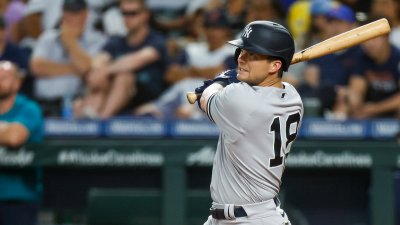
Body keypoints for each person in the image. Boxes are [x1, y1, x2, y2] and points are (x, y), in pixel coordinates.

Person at [195, 21, 303, 225]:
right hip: (255, 214)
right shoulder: (292, 95)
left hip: (251, 218)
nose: (241, 59)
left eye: (253, 55)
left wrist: (219, 81)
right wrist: (231, 82)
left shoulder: (241, 99)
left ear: (275, 65)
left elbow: (205, 99)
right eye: (241, 52)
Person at [75, 0, 168, 119]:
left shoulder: (156, 40)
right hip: (113, 96)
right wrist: (99, 71)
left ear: (145, 14)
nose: (127, 18)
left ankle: (102, 120)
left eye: (133, 13)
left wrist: (106, 70)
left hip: (147, 100)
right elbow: (99, 60)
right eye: (124, 13)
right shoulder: (116, 41)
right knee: (101, 78)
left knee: (124, 76)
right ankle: (88, 116)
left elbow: (137, 60)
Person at [29, 0, 106, 117]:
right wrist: (75, 69)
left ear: (85, 15)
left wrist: (70, 42)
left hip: (75, 103)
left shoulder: (96, 40)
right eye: (67, 12)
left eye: (75, 13)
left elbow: (89, 71)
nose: (70, 18)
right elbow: (36, 67)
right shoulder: (49, 37)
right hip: (43, 103)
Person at [0, 61, 44, 225]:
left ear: (17, 83)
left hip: (18, 197)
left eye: (4, 78)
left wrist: (9, 131)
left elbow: (14, 137)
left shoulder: (28, 108)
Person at [346, 17, 400, 119]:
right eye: (365, 39)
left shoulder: (397, 57)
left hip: (391, 109)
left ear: (386, 37)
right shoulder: (361, 57)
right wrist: (354, 100)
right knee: (345, 106)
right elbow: (356, 88)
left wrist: (375, 109)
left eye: (374, 38)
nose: (369, 44)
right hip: (369, 108)